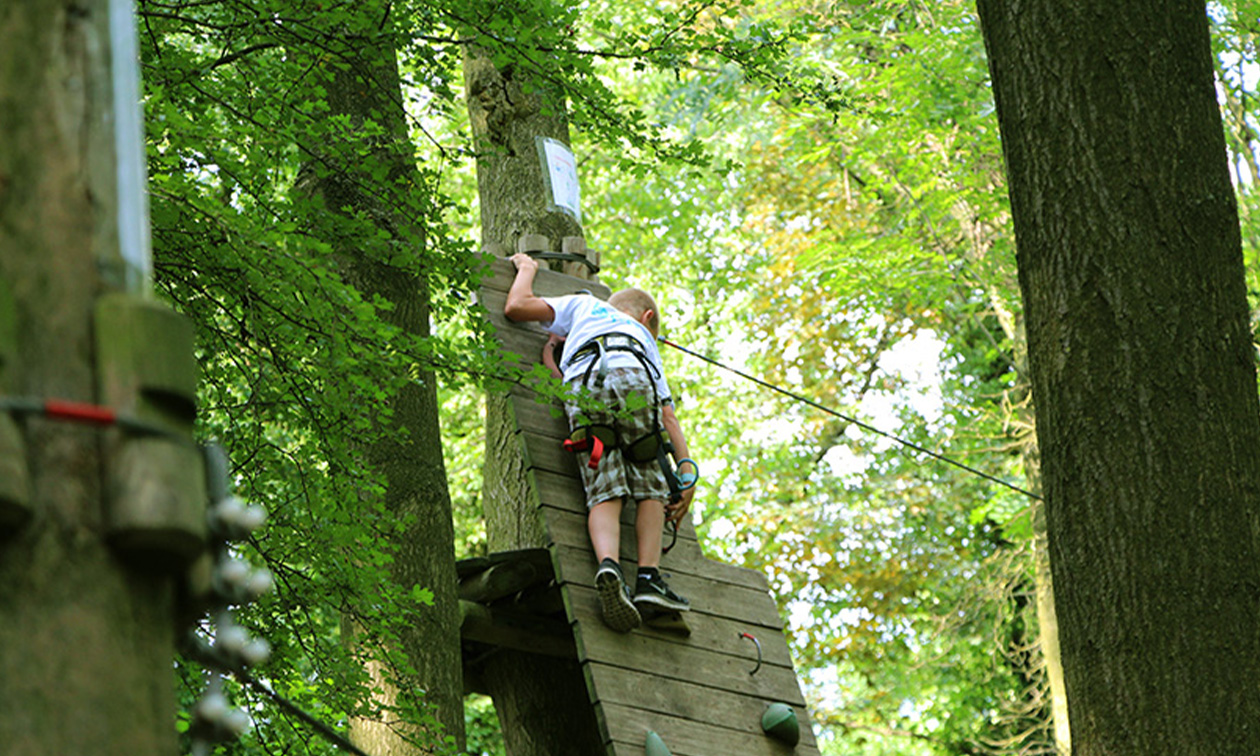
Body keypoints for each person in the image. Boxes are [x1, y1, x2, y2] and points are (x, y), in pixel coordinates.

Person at [504, 252, 695, 632]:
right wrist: (687, 472)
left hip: (584, 381)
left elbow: (516, 306)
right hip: (635, 378)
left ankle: (608, 565)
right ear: (648, 319)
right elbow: (667, 416)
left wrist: (527, 269)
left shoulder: (582, 305)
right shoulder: (645, 342)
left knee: (603, 486)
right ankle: (648, 579)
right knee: (649, 484)